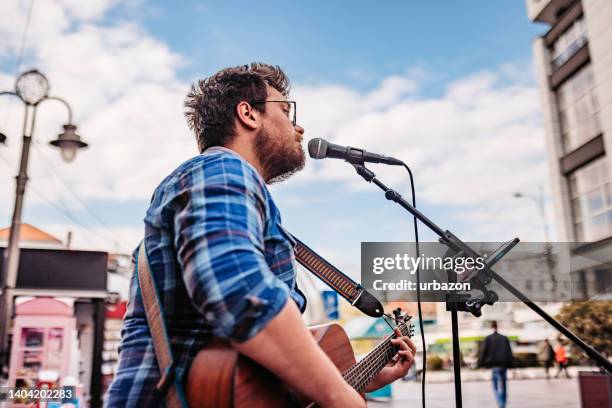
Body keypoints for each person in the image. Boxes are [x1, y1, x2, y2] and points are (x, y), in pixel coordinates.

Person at [106, 63, 416, 407]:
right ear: (248, 114)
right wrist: (340, 396)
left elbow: (255, 375)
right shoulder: (223, 167)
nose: (298, 127)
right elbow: (240, 292)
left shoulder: (218, 186)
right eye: (286, 110)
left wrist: (360, 378)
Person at [478, 321, 513, 408]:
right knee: (504, 385)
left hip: (494, 366)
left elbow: (483, 352)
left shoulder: (488, 338)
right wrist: (512, 366)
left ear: (491, 327)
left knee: (495, 386)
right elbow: (509, 352)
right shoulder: (504, 338)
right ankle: (503, 404)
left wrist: (481, 365)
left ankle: (500, 403)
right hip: (503, 366)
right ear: (497, 327)